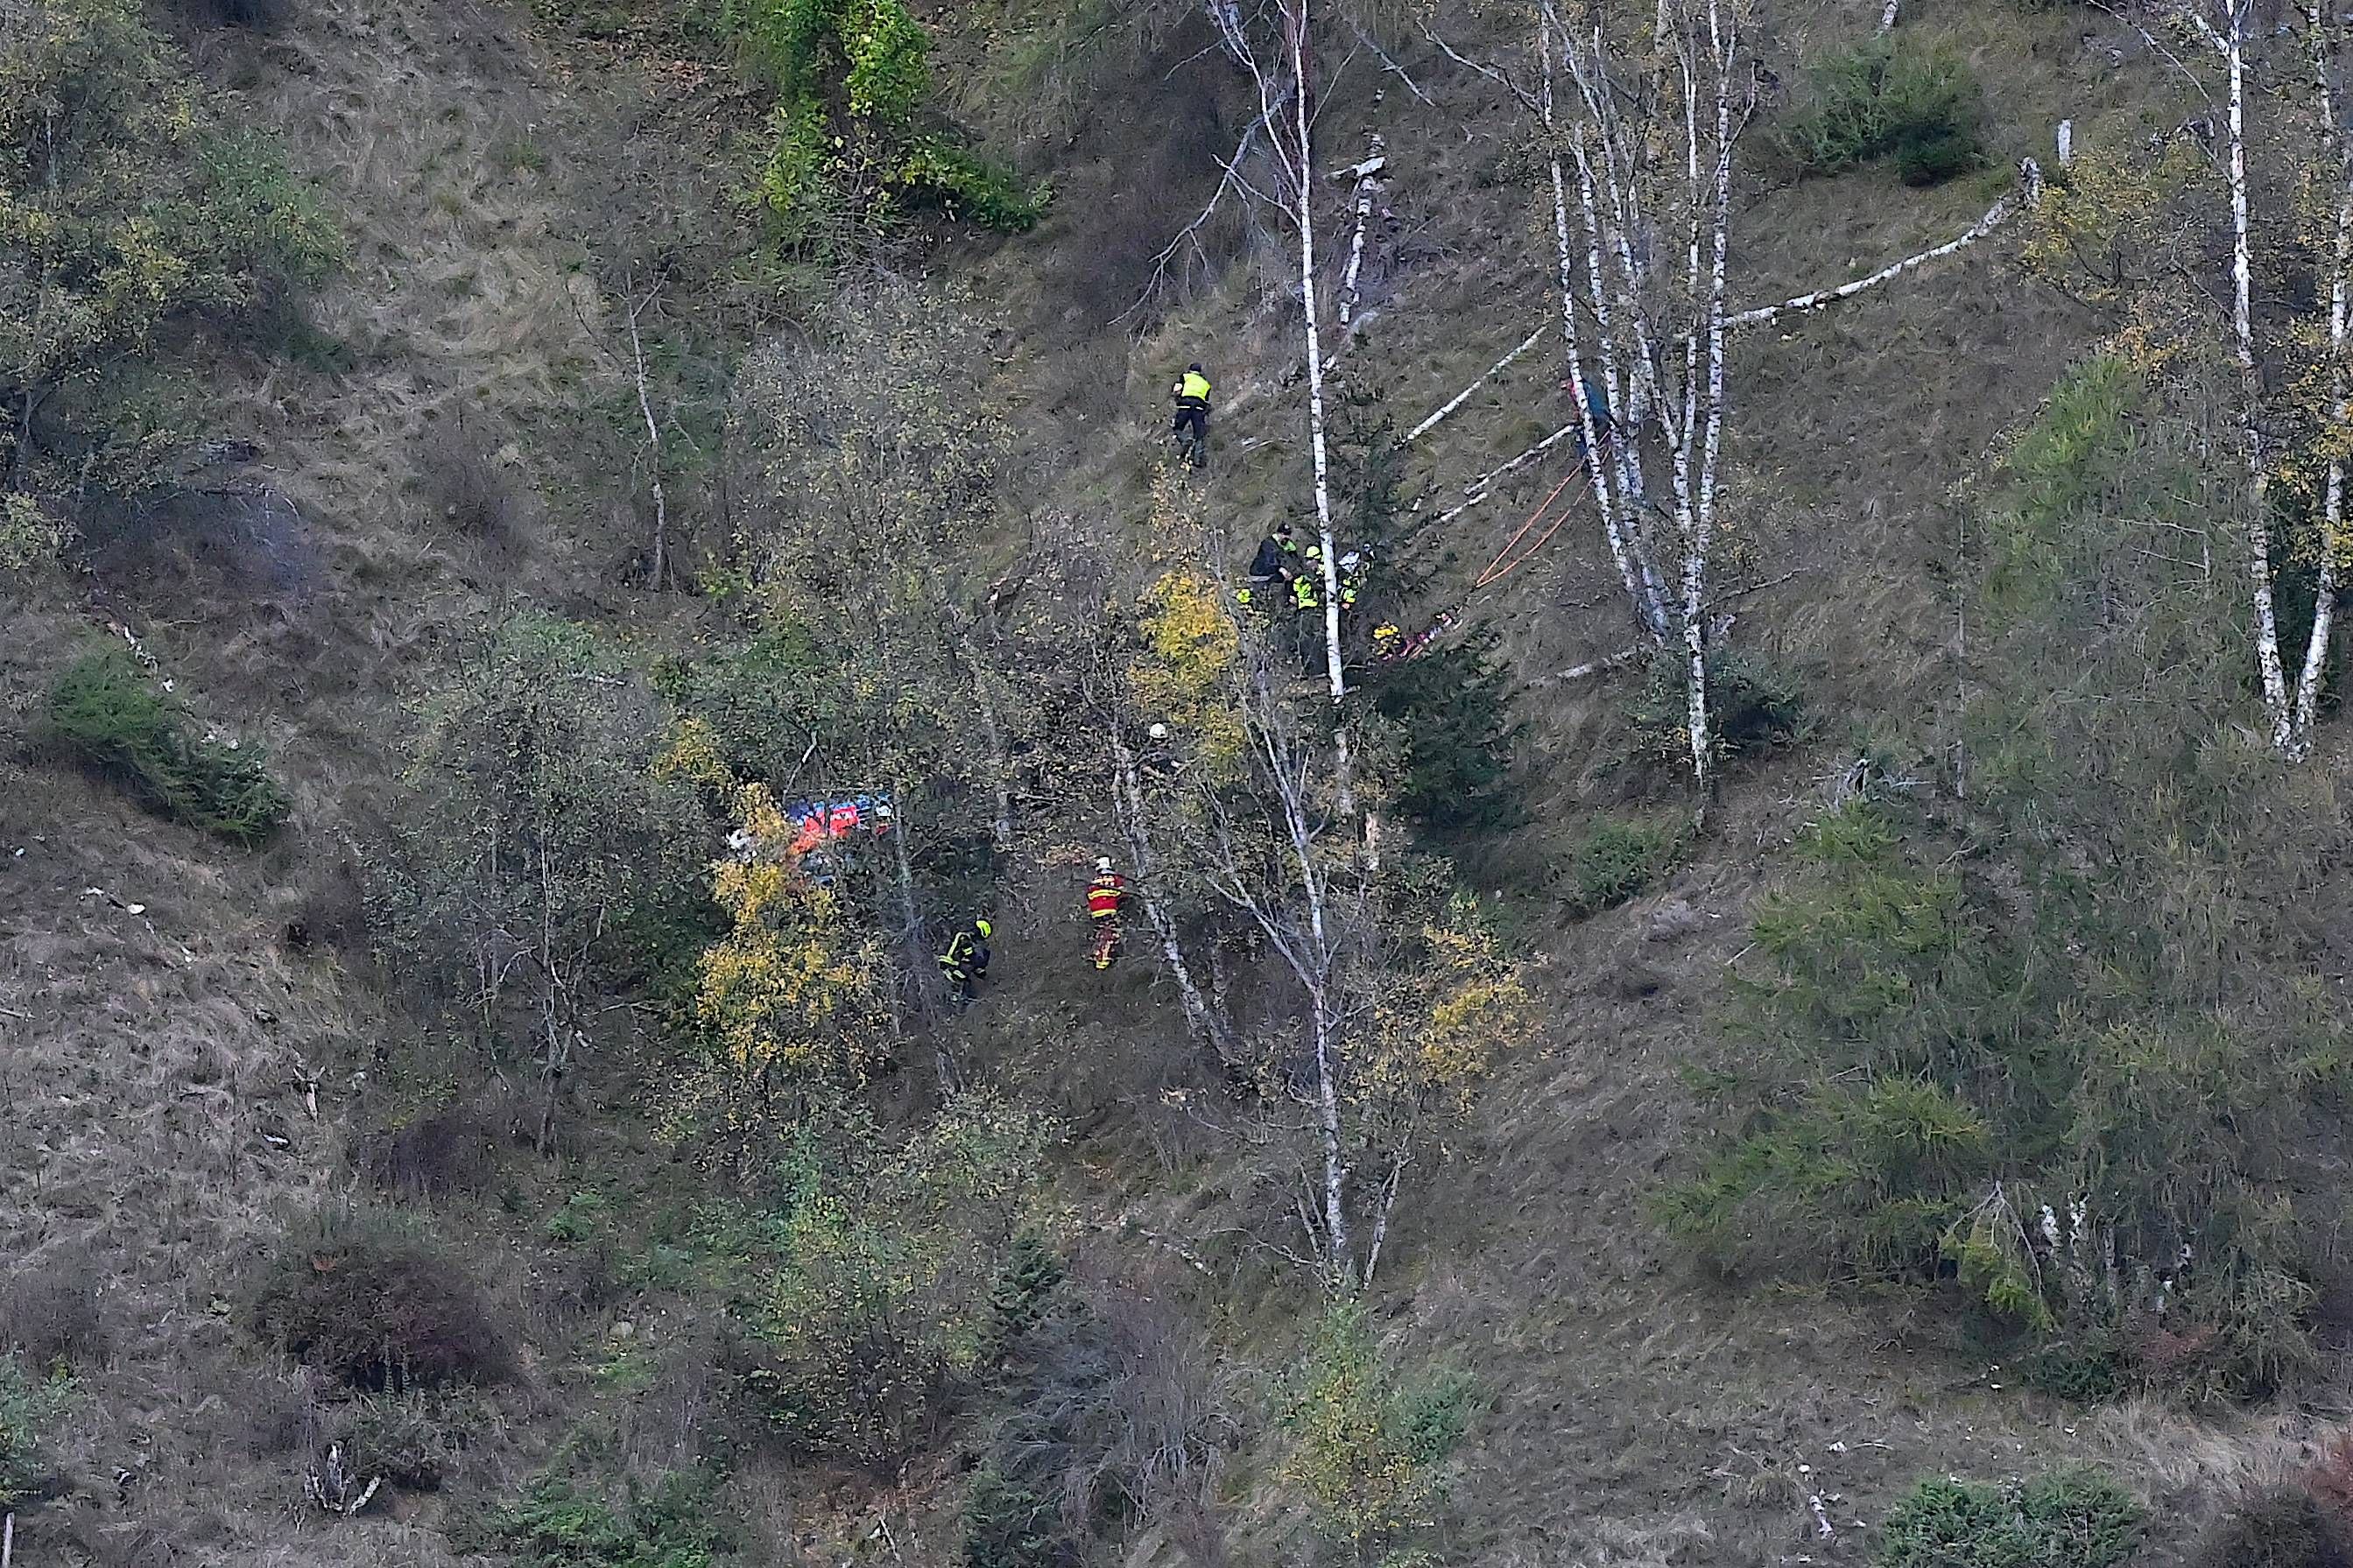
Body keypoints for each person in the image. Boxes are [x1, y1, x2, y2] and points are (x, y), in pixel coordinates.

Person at [939, 917, 992, 1005]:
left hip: (953, 966)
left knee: (966, 979)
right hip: (950, 965)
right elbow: (968, 957)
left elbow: (970, 959)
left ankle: (961, 1000)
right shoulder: (964, 938)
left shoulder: (968, 939)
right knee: (963, 976)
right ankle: (958, 998)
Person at [1085, 857, 1127, 971]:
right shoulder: (1116, 878)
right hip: (1110, 910)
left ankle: (1098, 956)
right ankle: (1104, 960)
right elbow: (1122, 894)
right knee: (1110, 934)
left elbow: (1089, 896)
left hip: (1096, 912)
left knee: (1100, 934)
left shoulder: (1094, 880)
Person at [1171, 363, 1212, 468]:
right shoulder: (1206, 384)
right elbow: (1206, 399)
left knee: (1177, 428)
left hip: (1185, 405)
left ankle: (1185, 440)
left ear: (1190, 370)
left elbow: (1177, 389)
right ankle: (1197, 459)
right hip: (1199, 408)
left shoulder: (1185, 377)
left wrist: (1177, 398)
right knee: (1199, 435)